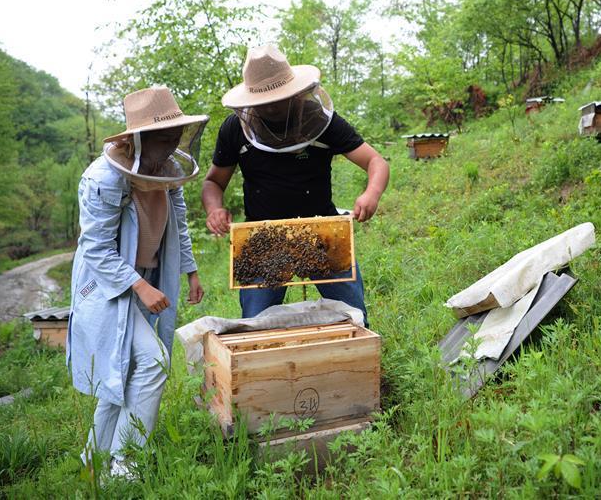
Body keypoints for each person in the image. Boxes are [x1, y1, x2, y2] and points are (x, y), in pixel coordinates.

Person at [67, 86, 208, 477]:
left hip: (144, 277)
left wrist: (190, 269)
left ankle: (94, 459)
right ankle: (125, 462)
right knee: (153, 363)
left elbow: (177, 217)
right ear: (137, 139)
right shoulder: (104, 178)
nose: (171, 145)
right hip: (107, 287)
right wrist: (139, 286)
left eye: (176, 137)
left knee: (124, 368)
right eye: (164, 139)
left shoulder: (166, 168)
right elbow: (95, 249)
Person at [201, 43, 389, 321]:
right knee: (257, 323)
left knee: (355, 317)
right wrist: (214, 209)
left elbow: (376, 162)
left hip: (322, 230)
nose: (272, 106)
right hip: (261, 237)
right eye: (264, 101)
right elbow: (213, 182)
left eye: (278, 98)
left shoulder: (320, 119)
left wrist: (371, 193)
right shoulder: (234, 129)